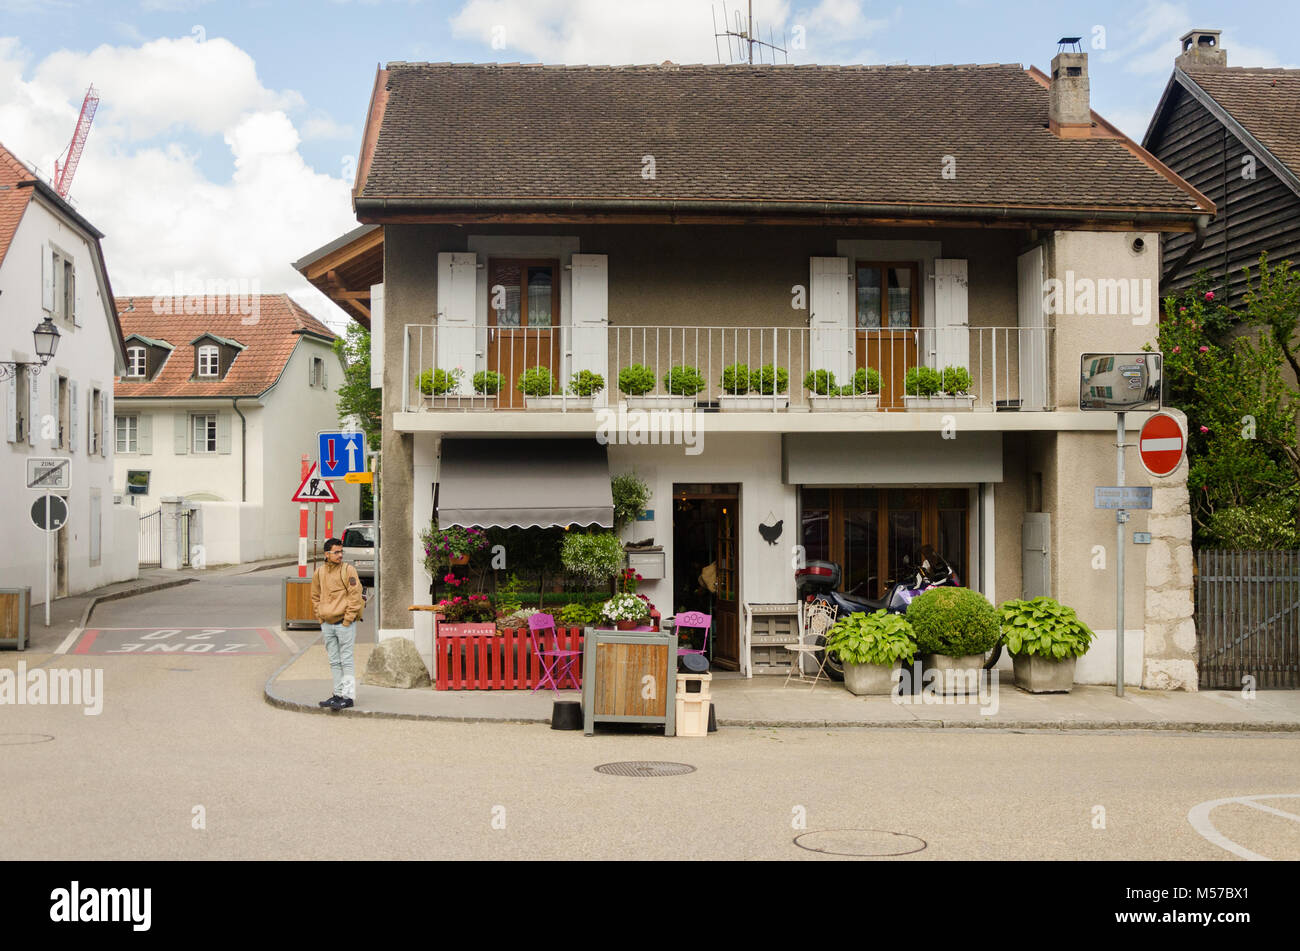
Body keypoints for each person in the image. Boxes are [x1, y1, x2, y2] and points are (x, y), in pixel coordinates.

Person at [311, 537, 365, 711]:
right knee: (334, 660)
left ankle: (348, 697)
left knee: (346, 659)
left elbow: (355, 595)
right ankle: (337, 694)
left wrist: (348, 619)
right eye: (336, 552)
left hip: (344, 623)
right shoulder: (319, 572)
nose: (340, 555)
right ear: (327, 554)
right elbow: (315, 596)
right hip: (327, 623)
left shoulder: (348, 570)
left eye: (341, 551)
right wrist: (320, 616)